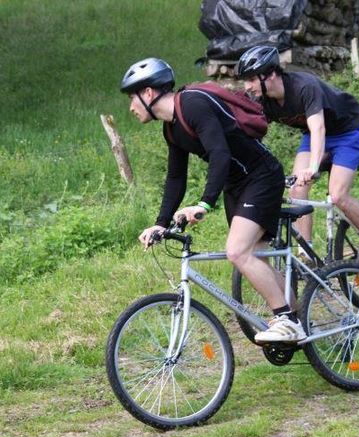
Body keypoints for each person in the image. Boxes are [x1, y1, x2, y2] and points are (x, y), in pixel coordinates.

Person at [120, 57, 306, 343]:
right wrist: (161, 223)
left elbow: (219, 153)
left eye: (132, 98)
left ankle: (287, 320)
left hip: (261, 176)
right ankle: (298, 319)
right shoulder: (171, 128)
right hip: (237, 185)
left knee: (238, 251)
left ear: (148, 93)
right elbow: (176, 178)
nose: (131, 107)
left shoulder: (192, 104)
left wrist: (204, 203)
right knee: (255, 256)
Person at [234, 46, 359, 262]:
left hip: (347, 132)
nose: (247, 87)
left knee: (338, 195)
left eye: (251, 79)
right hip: (314, 135)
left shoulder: (304, 86)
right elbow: (253, 134)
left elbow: (318, 128)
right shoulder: (263, 101)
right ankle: (307, 255)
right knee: (297, 189)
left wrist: (313, 167)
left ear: (270, 74)